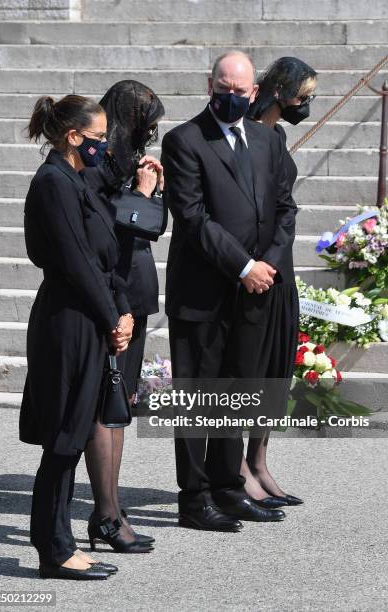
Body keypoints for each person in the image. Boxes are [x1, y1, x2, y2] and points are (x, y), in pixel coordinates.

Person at [162, 51, 297, 531]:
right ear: (209, 85)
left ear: (254, 93)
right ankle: (194, 499)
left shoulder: (266, 140)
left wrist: (270, 266)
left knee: (238, 390)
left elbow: (285, 208)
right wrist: (243, 266)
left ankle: (228, 486)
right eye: (223, 89)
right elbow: (194, 218)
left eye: (240, 92)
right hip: (203, 291)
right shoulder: (183, 140)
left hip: (255, 292)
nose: (231, 98)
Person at [19, 94, 134, 579]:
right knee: (64, 437)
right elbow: (75, 262)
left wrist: (122, 309)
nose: (103, 147)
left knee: (76, 430)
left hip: (91, 313)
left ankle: (62, 541)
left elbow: (104, 254)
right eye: (97, 138)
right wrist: (112, 317)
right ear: (72, 137)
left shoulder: (78, 178)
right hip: (68, 319)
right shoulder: (53, 182)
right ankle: (53, 548)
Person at [80, 81, 166, 553]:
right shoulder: (96, 164)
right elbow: (104, 229)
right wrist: (140, 192)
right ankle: (106, 514)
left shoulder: (128, 159)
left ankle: (110, 507)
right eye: (144, 121)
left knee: (120, 406)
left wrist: (154, 191)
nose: (149, 131)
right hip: (110, 293)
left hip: (137, 289)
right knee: (105, 404)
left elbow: (152, 226)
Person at [236, 57, 317, 506]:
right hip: (253, 268)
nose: (306, 104)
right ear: (279, 91)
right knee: (249, 371)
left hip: (281, 266)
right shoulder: (244, 130)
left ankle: (260, 459)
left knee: (275, 373)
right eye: (302, 96)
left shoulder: (278, 134)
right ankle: (238, 467)